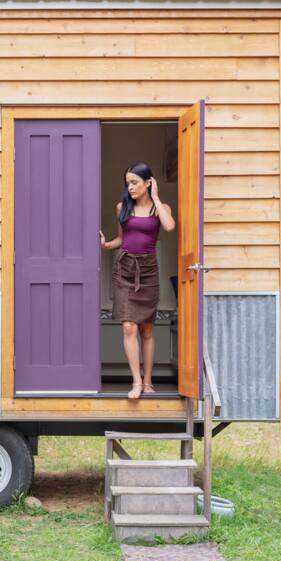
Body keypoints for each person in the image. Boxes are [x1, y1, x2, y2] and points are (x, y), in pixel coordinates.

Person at [99, 163, 175, 399]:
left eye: (135, 182)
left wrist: (156, 197)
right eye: (128, 183)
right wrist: (106, 245)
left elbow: (170, 226)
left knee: (147, 329)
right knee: (128, 326)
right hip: (124, 268)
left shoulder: (161, 209)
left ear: (148, 182)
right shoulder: (122, 207)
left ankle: (149, 381)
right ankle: (136, 381)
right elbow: (123, 239)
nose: (130, 187)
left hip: (149, 270)